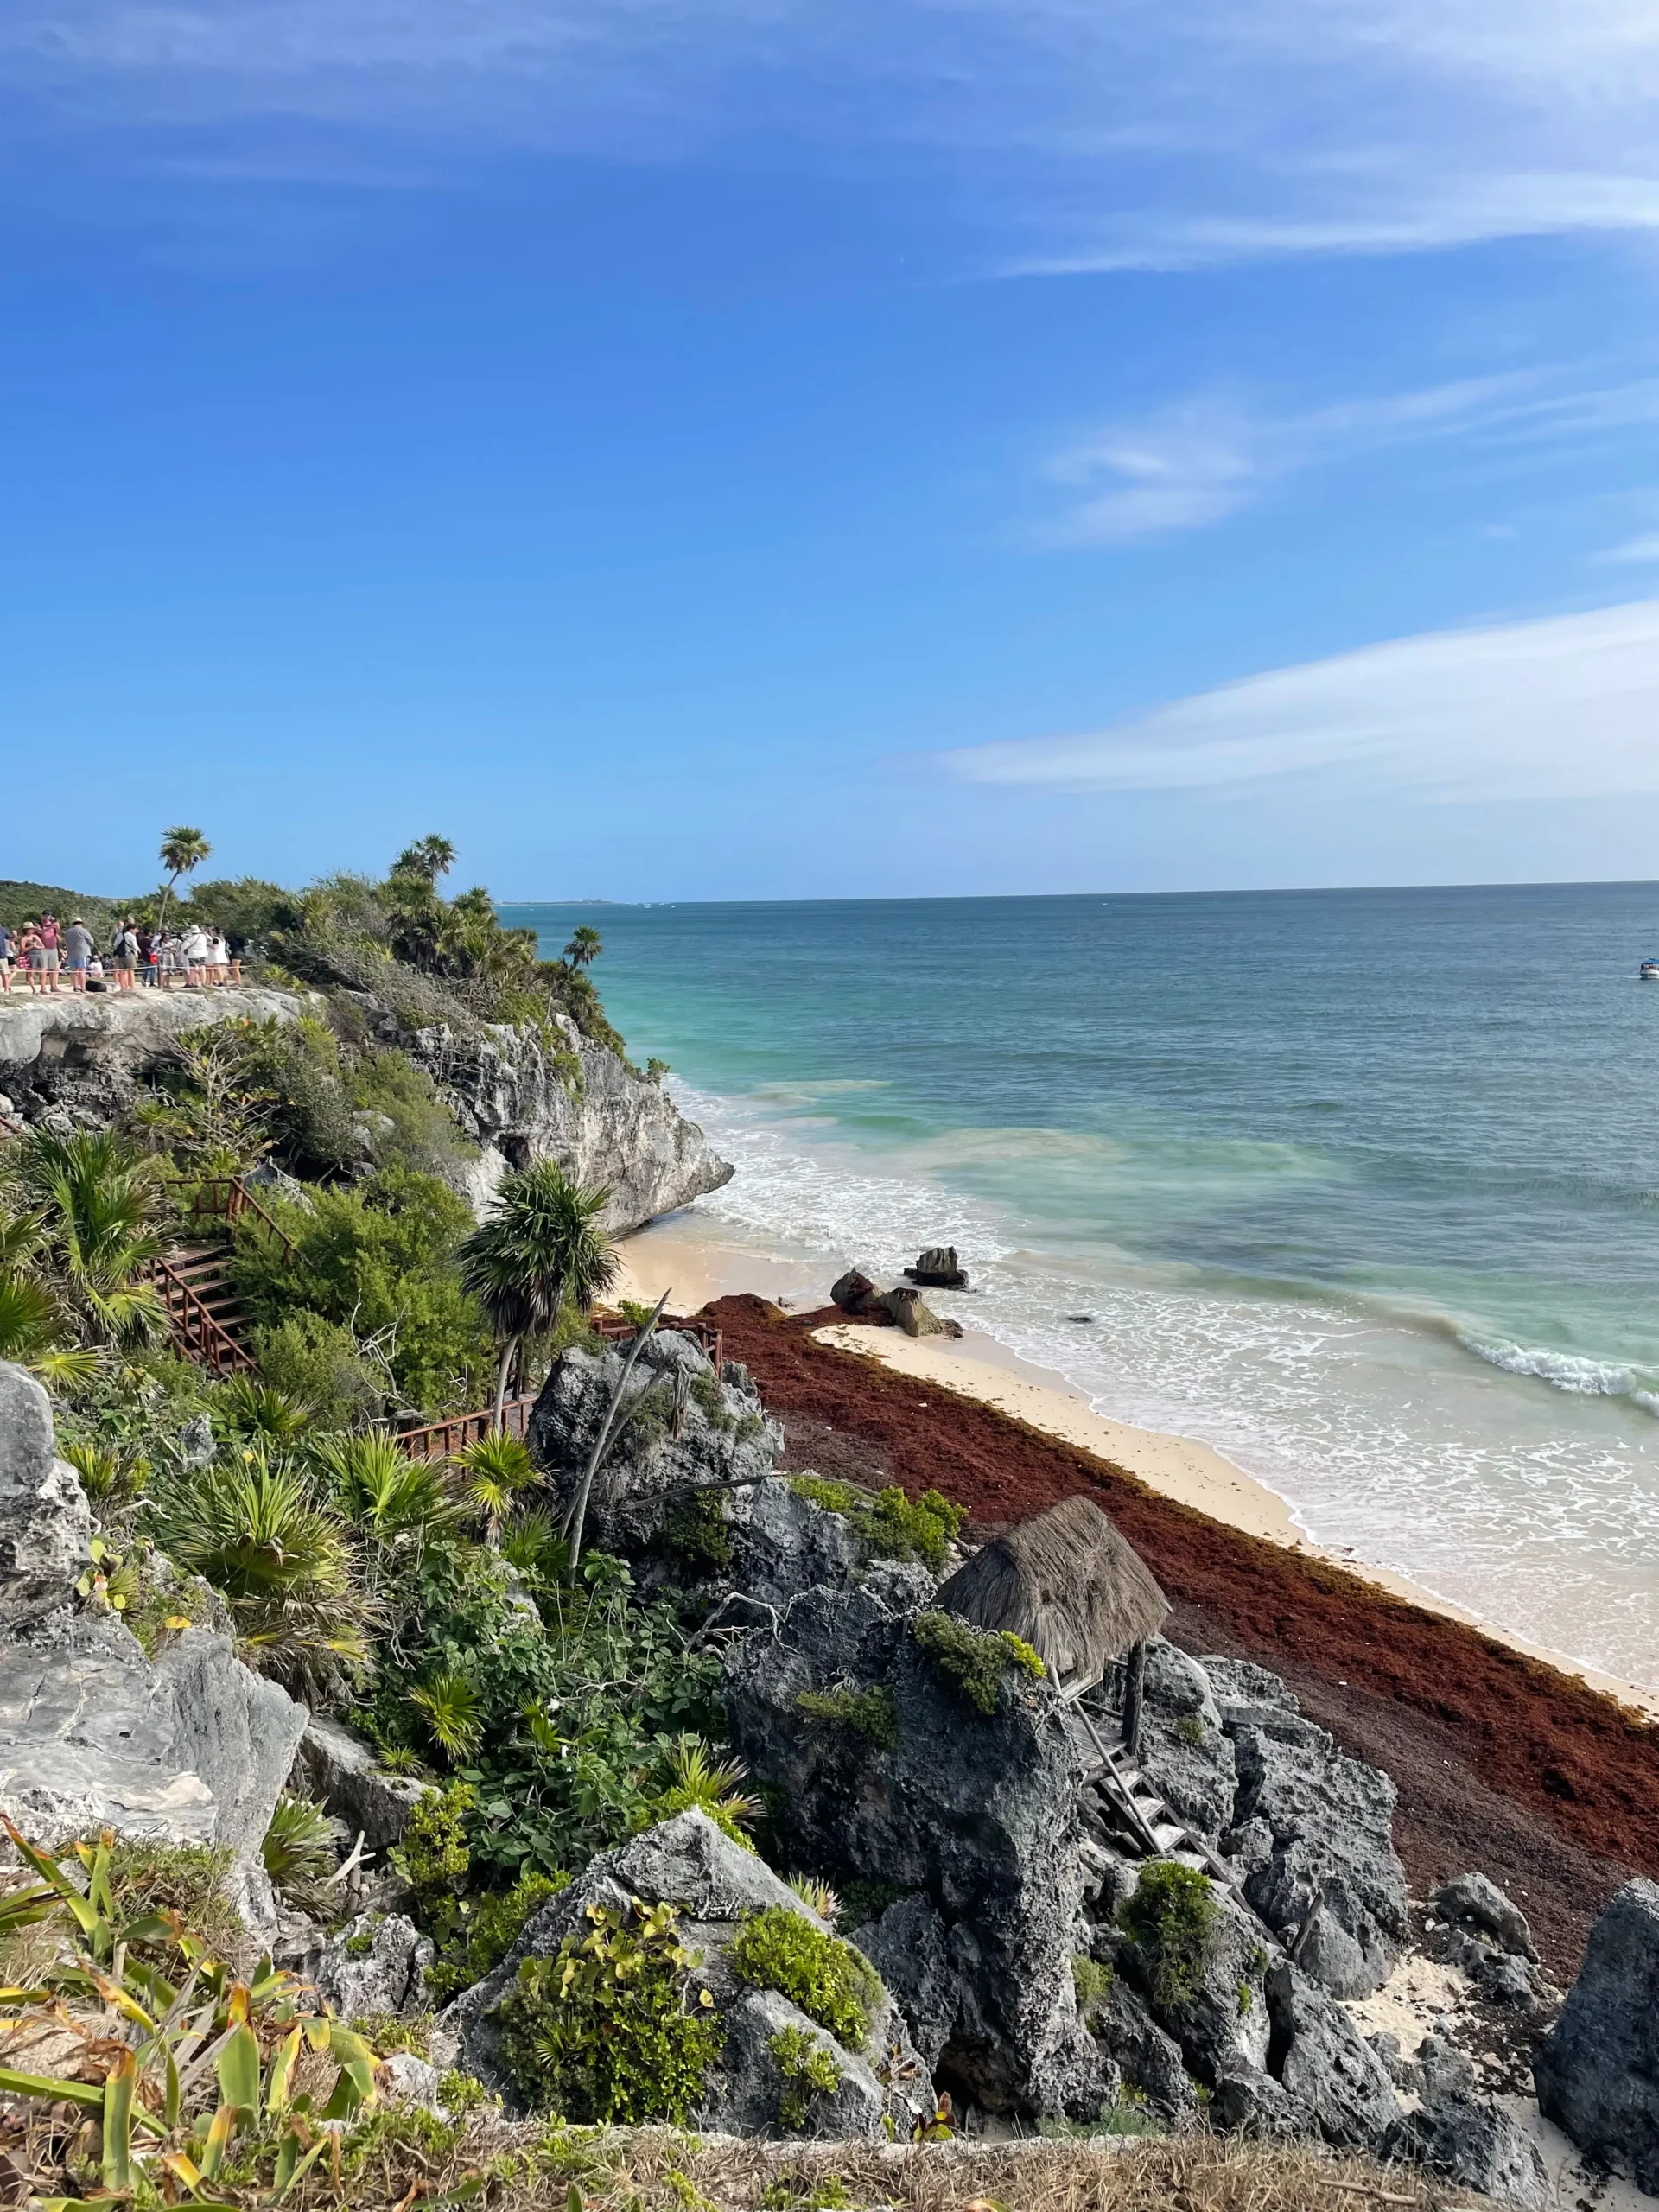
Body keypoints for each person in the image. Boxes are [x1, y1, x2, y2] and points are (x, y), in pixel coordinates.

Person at [61, 917, 94, 994]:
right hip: (82, 953)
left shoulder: (67, 932)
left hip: (71, 953)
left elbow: (64, 942)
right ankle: (83, 988)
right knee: (82, 971)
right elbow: (91, 941)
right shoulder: (83, 930)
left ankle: (75, 988)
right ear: (81, 923)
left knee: (73, 972)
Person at [35, 913, 61, 994]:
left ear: (50, 917)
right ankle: (43, 988)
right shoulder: (38, 924)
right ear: (42, 916)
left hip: (53, 948)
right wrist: (50, 927)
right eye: (45, 915)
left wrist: (57, 927)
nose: (46, 917)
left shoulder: (53, 924)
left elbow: (59, 933)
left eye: (48, 916)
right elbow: (39, 931)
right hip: (43, 949)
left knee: (53, 969)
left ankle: (53, 987)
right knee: (44, 969)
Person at [111, 919, 138, 993]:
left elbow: (115, 944)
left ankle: (122, 988)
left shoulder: (119, 935)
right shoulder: (131, 935)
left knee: (122, 972)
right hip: (129, 954)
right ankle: (132, 988)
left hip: (120, 955)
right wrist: (139, 951)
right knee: (131, 972)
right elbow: (135, 946)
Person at [0, 920, 12, 995]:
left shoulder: (3, 930)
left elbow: (10, 939)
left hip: (2, 955)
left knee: (5, 974)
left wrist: (15, 935)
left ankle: (6, 990)